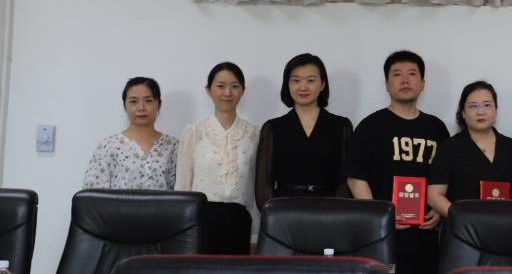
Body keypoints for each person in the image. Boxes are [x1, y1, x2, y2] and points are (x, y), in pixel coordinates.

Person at [346, 50, 450, 274]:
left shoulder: (436, 128)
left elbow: (447, 176)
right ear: (386, 84)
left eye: (412, 74)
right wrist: (381, 217)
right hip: (383, 236)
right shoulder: (370, 126)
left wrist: (439, 209)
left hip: (426, 235)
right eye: (397, 74)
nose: (405, 80)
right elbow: (355, 179)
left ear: (422, 83)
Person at [176, 62, 261, 251]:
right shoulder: (194, 132)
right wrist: (182, 231)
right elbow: (182, 185)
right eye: (221, 86)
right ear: (208, 90)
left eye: (234, 86)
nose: (227, 93)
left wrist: (255, 234)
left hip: (241, 222)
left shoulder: (255, 134)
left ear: (243, 91)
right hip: (200, 222)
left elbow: (256, 187)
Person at [254, 53, 353, 207]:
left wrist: (334, 211)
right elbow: (263, 184)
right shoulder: (273, 128)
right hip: (284, 211)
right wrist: (275, 214)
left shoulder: (341, 126)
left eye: (311, 80)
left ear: (322, 84)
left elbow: (346, 179)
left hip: (330, 211)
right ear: (287, 84)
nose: (303, 87)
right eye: (296, 80)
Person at [426, 81, 512, 216]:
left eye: (487, 105)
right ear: (463, 113)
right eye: (473, 106)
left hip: (504, 226)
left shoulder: (510, 147)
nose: (480, 112)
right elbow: (434, 196)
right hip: (464, 227)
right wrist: (463, 220)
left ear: (496, 110)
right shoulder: (450, 148)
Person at [84, 76, 179, 190]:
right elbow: (93, 194)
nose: (141, 108)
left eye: (148, 101)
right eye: (133, 102)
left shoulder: (174, 146)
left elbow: (183, 189)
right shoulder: (108, 146)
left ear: (159, 104)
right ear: (125, 105)